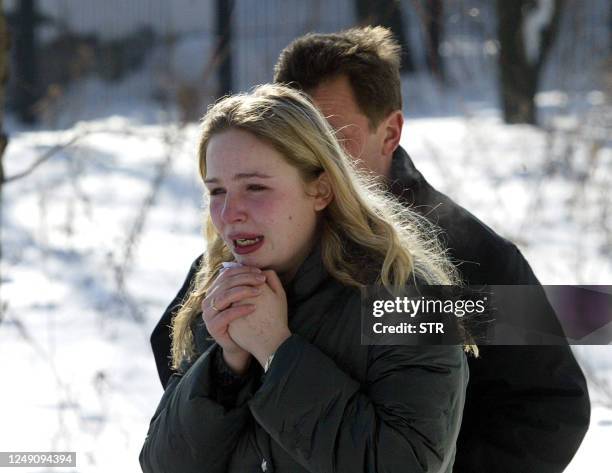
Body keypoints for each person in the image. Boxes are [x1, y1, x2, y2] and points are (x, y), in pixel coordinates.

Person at [150, 27, 590, 472]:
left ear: (390, 132)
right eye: (296, 130)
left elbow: (551, 398)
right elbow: (175, 394)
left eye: (333, 133)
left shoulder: (456, 255)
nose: (318, 152)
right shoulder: (244, 254)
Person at [140, 84, 470, 473]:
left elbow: (407, 464)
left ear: (320, 189)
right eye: (217, 191)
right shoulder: (216, 285)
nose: (230, 213)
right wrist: (226, 367)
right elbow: (163, 465)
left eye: (255, 187)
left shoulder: (408, 294)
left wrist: (276, 350)